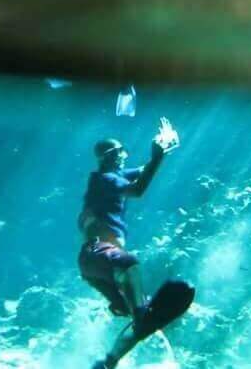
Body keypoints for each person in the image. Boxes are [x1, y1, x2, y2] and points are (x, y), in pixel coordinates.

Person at [78, 129, 170, 369]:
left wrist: (161, 152)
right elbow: (138, 189)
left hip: (93, 267)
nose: (123, 156)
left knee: (129, 310)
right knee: (129, 264)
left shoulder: (110, 177)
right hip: (99, 253)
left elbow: (142, 170)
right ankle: (140, 314)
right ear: (107, 156)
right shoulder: (106, 179)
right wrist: (158, 157)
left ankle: (108, 362)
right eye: (119, 152)